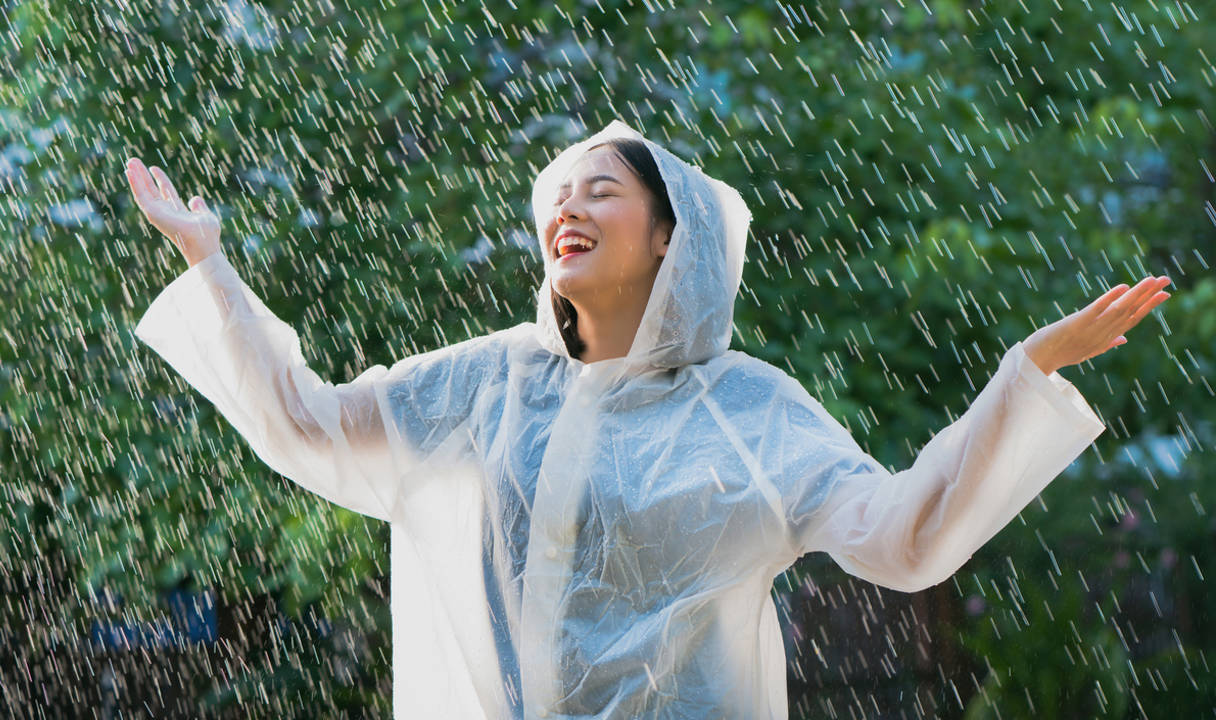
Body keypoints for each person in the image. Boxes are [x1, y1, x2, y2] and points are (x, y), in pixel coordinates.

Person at [126, 119, 1171, 718]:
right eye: (558, 195)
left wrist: (1021, 378)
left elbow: (903, 536)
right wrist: (210, 264)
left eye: (602, 193)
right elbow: (307, 423)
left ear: (674, 239)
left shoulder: (749, 412)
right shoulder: (481, 385)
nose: (565, 209)